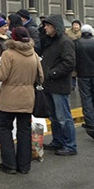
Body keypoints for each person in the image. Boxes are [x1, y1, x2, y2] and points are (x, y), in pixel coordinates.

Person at [0, 26, 43, 175]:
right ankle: (24, 166)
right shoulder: (34, 54)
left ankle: (9, 164)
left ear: (13, 38)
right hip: (28, 98)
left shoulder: (9, 54)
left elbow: (1, 75)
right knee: (24, 131)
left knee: (5, 129)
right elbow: (41, 77)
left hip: (9, 98)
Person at [40, 15, 77, 155]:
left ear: (55, 26)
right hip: (49, 85)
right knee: (54, 116)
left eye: (48, 25)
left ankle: (70, 145)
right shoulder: (51, 41)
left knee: (63, 117)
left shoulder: (65, 42)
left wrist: (52, 73)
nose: (45, 28)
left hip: (59, 85)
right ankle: (58, 141)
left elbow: (69, 63)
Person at [74, 24, 94, 130]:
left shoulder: (76, 43)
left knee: (86, 99)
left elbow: (74, 59)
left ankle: (90, 121)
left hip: (82, 74)